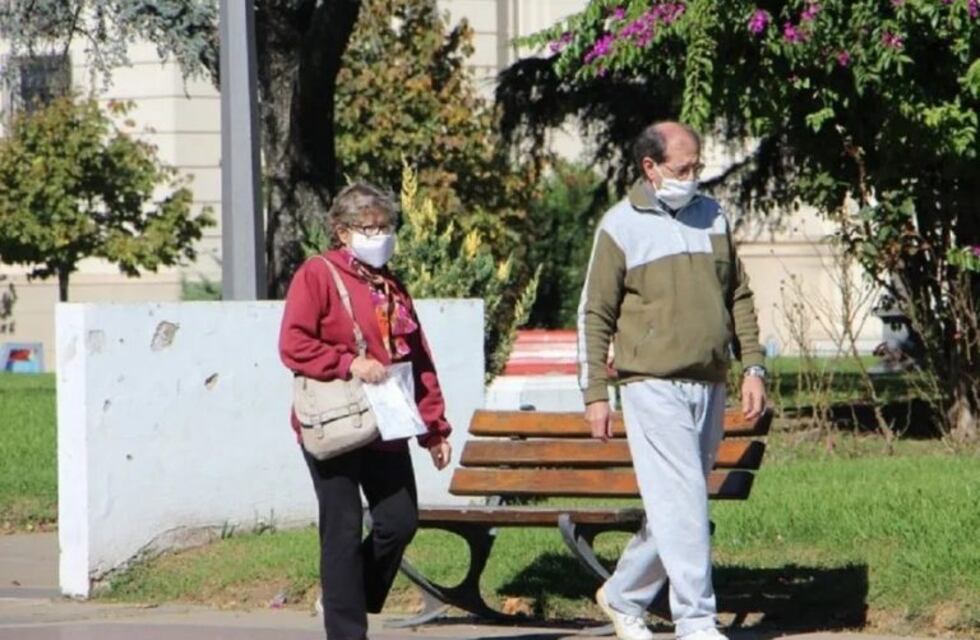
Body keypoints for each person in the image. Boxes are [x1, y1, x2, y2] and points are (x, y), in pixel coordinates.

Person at [577, 122, 767, 640]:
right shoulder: (620, 226)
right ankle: (696, 620)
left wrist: (753, 365)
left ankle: (622, 595)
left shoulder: (714, 216)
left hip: (709, 382)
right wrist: (595, 392)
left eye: (697, 166)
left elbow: (739, 296)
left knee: (679, 504)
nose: (693, 177)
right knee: (683, 500)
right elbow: (594, 313)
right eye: (683, 169)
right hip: (651, 383)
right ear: (650, 167)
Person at [279, 182, 453, 640]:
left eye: (385, 227)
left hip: (387, 421)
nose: (379, 236)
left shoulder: (389, 284)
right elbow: (293, 344)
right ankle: (346, 629)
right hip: (334, 420)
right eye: (368, 228)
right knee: (341, 528)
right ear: (340, 231)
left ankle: (347, 594)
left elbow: (418, 356)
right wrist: (348, 362)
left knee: (399, 521)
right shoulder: (317, 274)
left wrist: (434, 427)